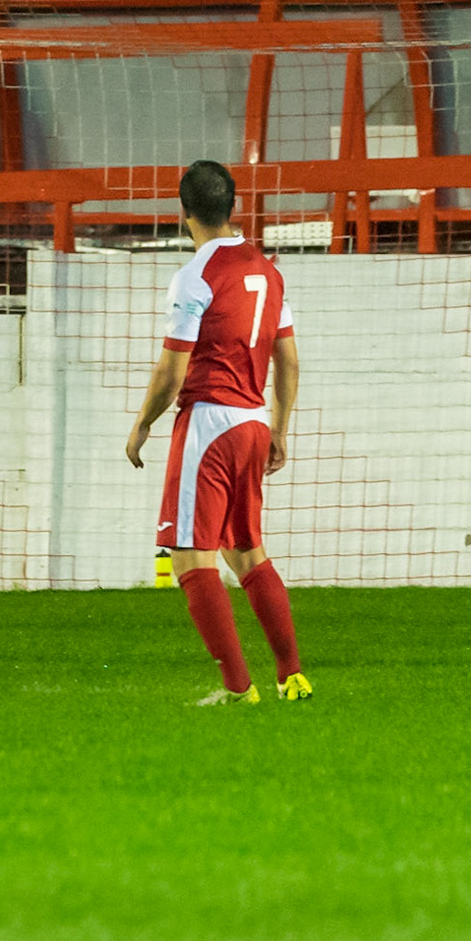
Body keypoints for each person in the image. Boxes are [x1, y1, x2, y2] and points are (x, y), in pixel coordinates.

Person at [125, 159, 310, 706]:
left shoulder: (195, 276)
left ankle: (237, 689)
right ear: (233, 206)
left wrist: (142, 424)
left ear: (183, 211)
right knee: (245, 551)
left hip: (209, 424)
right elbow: (289, 360)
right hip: (252, 421)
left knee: (189, 557)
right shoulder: (268, 271)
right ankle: (291, 676)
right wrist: (279, 428)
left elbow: (172, 370)